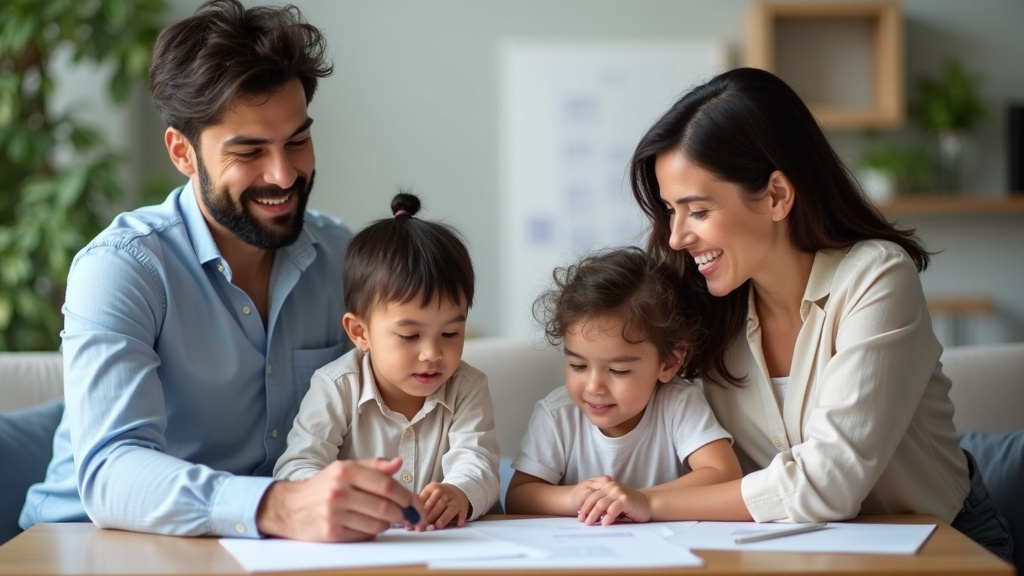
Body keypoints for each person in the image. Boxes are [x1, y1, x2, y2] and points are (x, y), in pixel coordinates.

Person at [20, 0, 428, 543]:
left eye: (297, 142)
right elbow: (110, 470)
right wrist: (276, 506)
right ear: (182, 153)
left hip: (260, 550)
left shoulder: (339, 257)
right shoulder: (121, 269)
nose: (284, 175)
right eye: (249, 151)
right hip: (82, 545)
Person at [628, 67, 1012, 561]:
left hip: (941, 544)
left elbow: (827, 483)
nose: (677, 236)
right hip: (801, 548)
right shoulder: (704, 303)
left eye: (697, 211)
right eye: (669, 211)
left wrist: (653, 502)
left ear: (776, 196)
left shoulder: (876, 278)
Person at [274, 192, 500, 530]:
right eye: (410, 336)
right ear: (360, 331)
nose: (432, 353)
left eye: (451, 333)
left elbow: (478, 462)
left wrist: (459, 491)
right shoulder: (335, 386)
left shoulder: (467, 387)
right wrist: (333, 493)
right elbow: (297, 467)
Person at [504, 246, 741, 525]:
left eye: (618, 370)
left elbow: (725, 474)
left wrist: (640, 499)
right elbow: (518, 497)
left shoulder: (678, 403)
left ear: (668, 363)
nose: (594, 386)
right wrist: (573, 497)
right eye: (578, 366)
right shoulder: (557, 415)